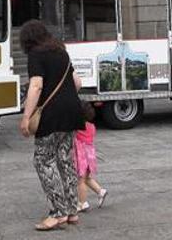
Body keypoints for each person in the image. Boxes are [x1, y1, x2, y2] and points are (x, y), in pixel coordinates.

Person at [18, 19, 85, 231]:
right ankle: (72, 210)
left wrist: (26, 117)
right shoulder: (61, 52)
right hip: (72, 110)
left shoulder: (36, 55)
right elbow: (77, 83)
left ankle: (58, 212)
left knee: (43, 160)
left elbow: (36, 86)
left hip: (51, 114)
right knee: (65, 159)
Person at [75, 103, 108, 213]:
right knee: (87, 178)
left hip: (81, 157)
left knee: (80, 181)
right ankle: (100, 191)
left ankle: (82, 203)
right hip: (90, 155)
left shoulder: (78, 127)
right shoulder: (92, 127)